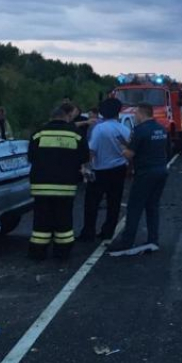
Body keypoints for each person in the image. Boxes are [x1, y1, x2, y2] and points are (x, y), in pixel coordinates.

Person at [27, 106, 89, 260]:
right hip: (65, 186)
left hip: (41, 186)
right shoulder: (76, 135)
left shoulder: (38, 134)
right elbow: (85, 157)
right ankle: (62, 252)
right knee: (64, 220)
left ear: (51, 118)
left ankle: (38, 252)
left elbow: (31, 157)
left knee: (41, 220)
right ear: (66, 117)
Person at [107, 103, 168, 254]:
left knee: (134, 207)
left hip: (145, 173)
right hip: (161, 170)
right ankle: (153, 239)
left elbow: (130, 155)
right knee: (152, 206)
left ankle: (126, 242)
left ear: (141, 114)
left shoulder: (140, 130)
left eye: (136, 114)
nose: (134, 117)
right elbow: (167, 150)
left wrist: (120, 148)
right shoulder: (161, 129)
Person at [79, 98, 130, 242]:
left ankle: (88, 232)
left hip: (100, 170)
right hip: (119, 169)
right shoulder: (124, 129)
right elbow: (128, 149)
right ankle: (108, 231)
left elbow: (92, 151)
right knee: (114, 203)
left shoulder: (99, 129)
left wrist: (85, 167)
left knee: (92, 203)